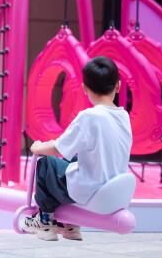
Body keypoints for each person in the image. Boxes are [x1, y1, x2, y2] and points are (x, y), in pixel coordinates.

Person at [23, 56, 132, 242]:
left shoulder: (89, 116)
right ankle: (70, 224)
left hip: (91, 191)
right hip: (115, 189)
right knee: (71, 161)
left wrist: (38, 146)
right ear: (118, 86)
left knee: (46, 164)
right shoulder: (124, 116)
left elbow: (57, 148)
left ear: (84, 88)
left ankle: (44, 220)